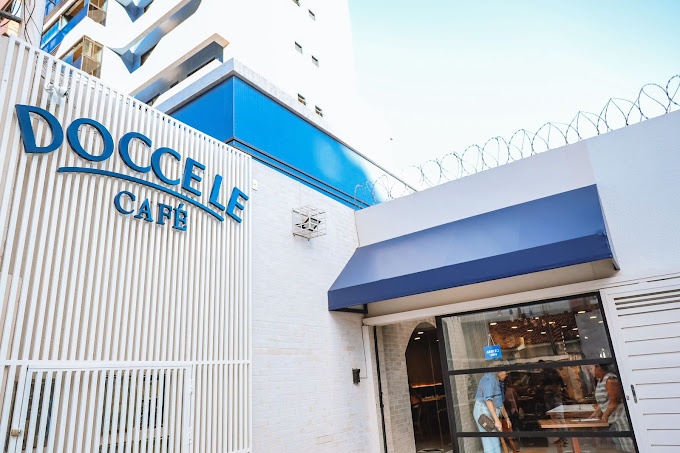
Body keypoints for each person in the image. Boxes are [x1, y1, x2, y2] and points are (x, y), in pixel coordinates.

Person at [590, 364, 634, 452]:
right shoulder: (600, 381)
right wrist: (595, 413)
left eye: (591, 368)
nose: (590, 371)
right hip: (613, 419)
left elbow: (615, 399)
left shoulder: (610, 379)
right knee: (619, 446)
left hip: (620, 417)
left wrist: (606, 415)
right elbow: (604, 401)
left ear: (598, 367)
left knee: (627, 445)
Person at [474, 368, 512, 453]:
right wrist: (497, 420)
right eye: (506, 372)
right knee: (490, 442)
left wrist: (506, 418)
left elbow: (500, 403)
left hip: (492, 413)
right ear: (499, 371)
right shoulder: (489, 378)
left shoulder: (499, 381)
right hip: (484, 413)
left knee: (495, 441)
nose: (507, 374)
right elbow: (488, 400)